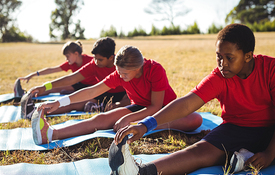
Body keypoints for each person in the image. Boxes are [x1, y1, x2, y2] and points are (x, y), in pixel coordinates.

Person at [108, 23, 275, 175]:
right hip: (235, 129)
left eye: (229, 58)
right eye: (219, 57)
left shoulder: (272, 68)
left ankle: (250, 159)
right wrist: (145, 124)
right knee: (198, 152)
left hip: (274, 128)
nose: (223, 64)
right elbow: (187, 103)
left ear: (248, 56)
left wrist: (271, 155)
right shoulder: (219, 77)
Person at [31, 45, 203, 146]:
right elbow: (92, 91)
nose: (120, 76)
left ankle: (138, 126)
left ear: (138, 68)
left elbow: (155, 107)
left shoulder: (155, 70)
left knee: (195, 120)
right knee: (101, 119)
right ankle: (51, 134)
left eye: (124, 73)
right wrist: (59, 103)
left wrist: (132, 120)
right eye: (118, 72)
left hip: (164, 109)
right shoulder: (119, 74)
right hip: (139, 107)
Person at [21, 37, 128, 118]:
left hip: (124, 95)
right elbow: (71, 79)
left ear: (111, 57)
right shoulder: (94, 64)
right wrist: (45, 87)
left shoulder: (122, 65)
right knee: (74, 102)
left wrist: (120, 104)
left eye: (100, 59)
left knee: (121, 106)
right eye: (95, 58)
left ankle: (102, 108)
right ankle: (36, 112)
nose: (96, 62)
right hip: (105, 92)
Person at [17, 40, 93, 96]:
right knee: (51, 88)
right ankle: (26, 95)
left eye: (67, 56)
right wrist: (32, 75)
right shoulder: (71, 63)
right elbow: (51, 70)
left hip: (93, 87)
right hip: (79, 84)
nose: (66, 59)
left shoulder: (91, 61)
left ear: (76, 54)